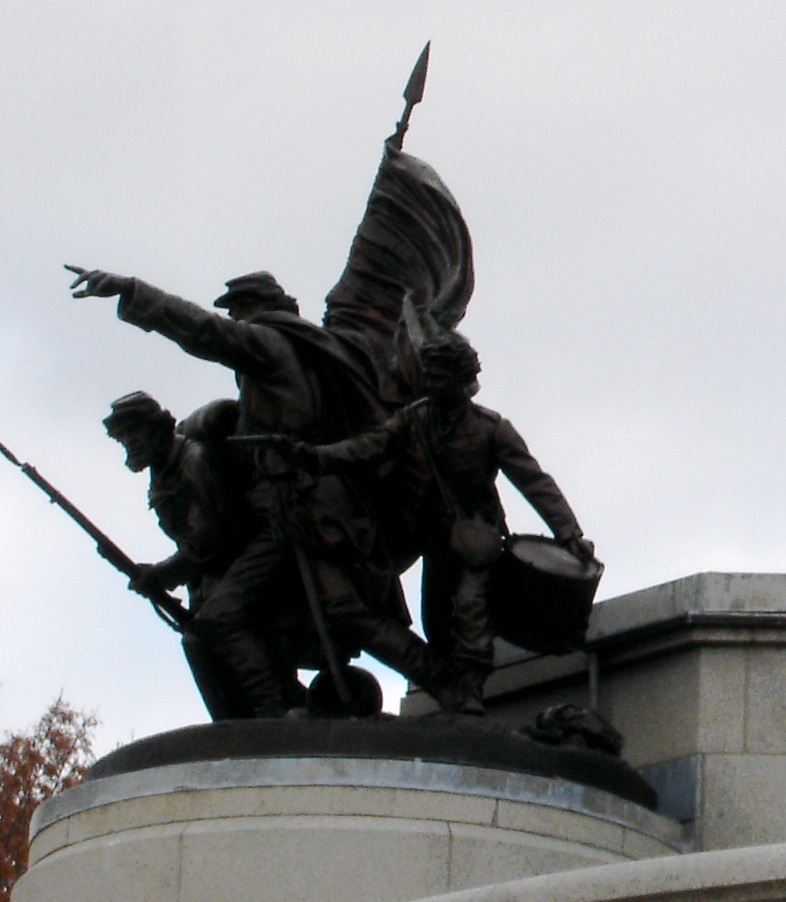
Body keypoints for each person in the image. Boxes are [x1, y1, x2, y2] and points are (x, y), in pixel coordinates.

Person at [70, 268, 437, 715]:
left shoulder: (269, 343)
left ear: (258, 310)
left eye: (240, 311)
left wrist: (132, 291)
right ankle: (444, 685)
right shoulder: (306, 350)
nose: (237, 322)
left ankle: (278, 713)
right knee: (339, 613)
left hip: (297, 508)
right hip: (307, 505)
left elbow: (204, 331)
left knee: (252, 617)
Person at [304, 333, 589, 712]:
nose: (430, 383)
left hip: (475, 537)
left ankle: (470, 689)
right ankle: (450, 685)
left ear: (462, 379)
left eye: (439, 376)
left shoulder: (491, 428)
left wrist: (568, 533)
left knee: (471, 608)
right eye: (429, 375)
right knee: (435, 618)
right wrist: (316, 458)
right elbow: (367, 447)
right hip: (430, 536)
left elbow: (535, 482)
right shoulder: (414, 418)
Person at [101, 391, 270, 718]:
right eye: (122, 439)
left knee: (213, 629)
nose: (129, 444)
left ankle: (275, 711)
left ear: (156, 428)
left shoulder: (195, 461)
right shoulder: (163, 472)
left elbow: (211, 539)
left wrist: (161, 574)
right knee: (196, 641)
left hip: (251, 556)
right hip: (213, 574)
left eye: (133, 434)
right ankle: (233, 725)